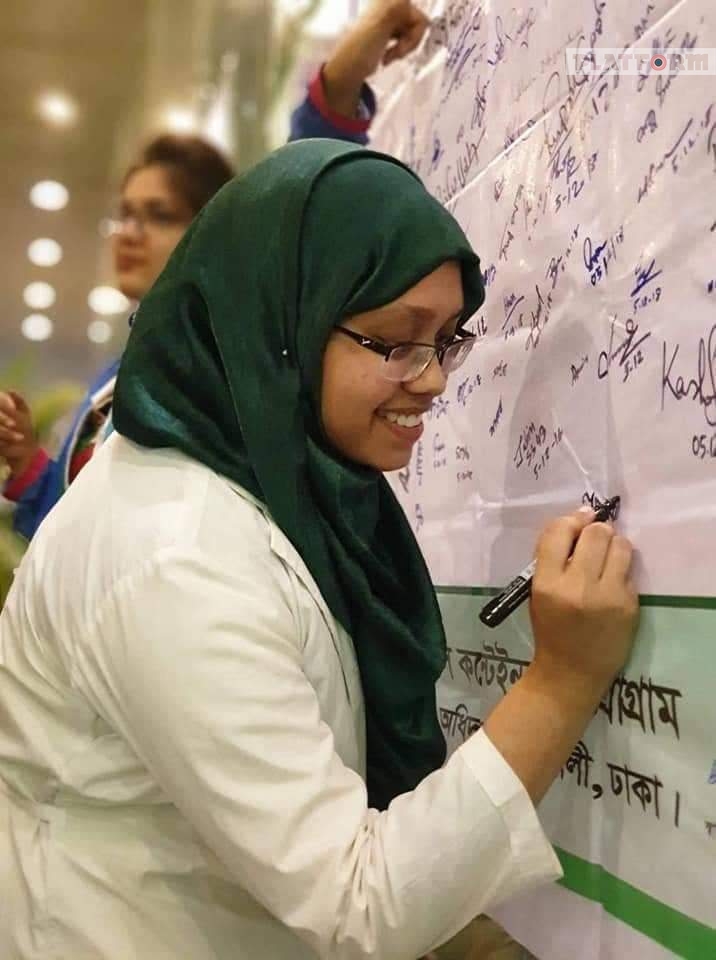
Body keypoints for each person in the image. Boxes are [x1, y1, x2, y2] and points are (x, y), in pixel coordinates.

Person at [0, 139, 639, 959]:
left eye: (448, 339)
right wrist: (562, 683)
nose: (434, 379)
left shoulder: (282, 485)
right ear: (280, 327)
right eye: (397, 341)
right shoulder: (174, 555)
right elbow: (355, 905)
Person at [0, 0, 430, 541]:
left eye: (158, 215)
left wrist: (345, 72)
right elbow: (70, 533)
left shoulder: (228, 348)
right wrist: (28, 465)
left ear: (210, 232)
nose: (130, 233)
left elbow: (300, 191)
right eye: (125, 214)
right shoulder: (112, 381)